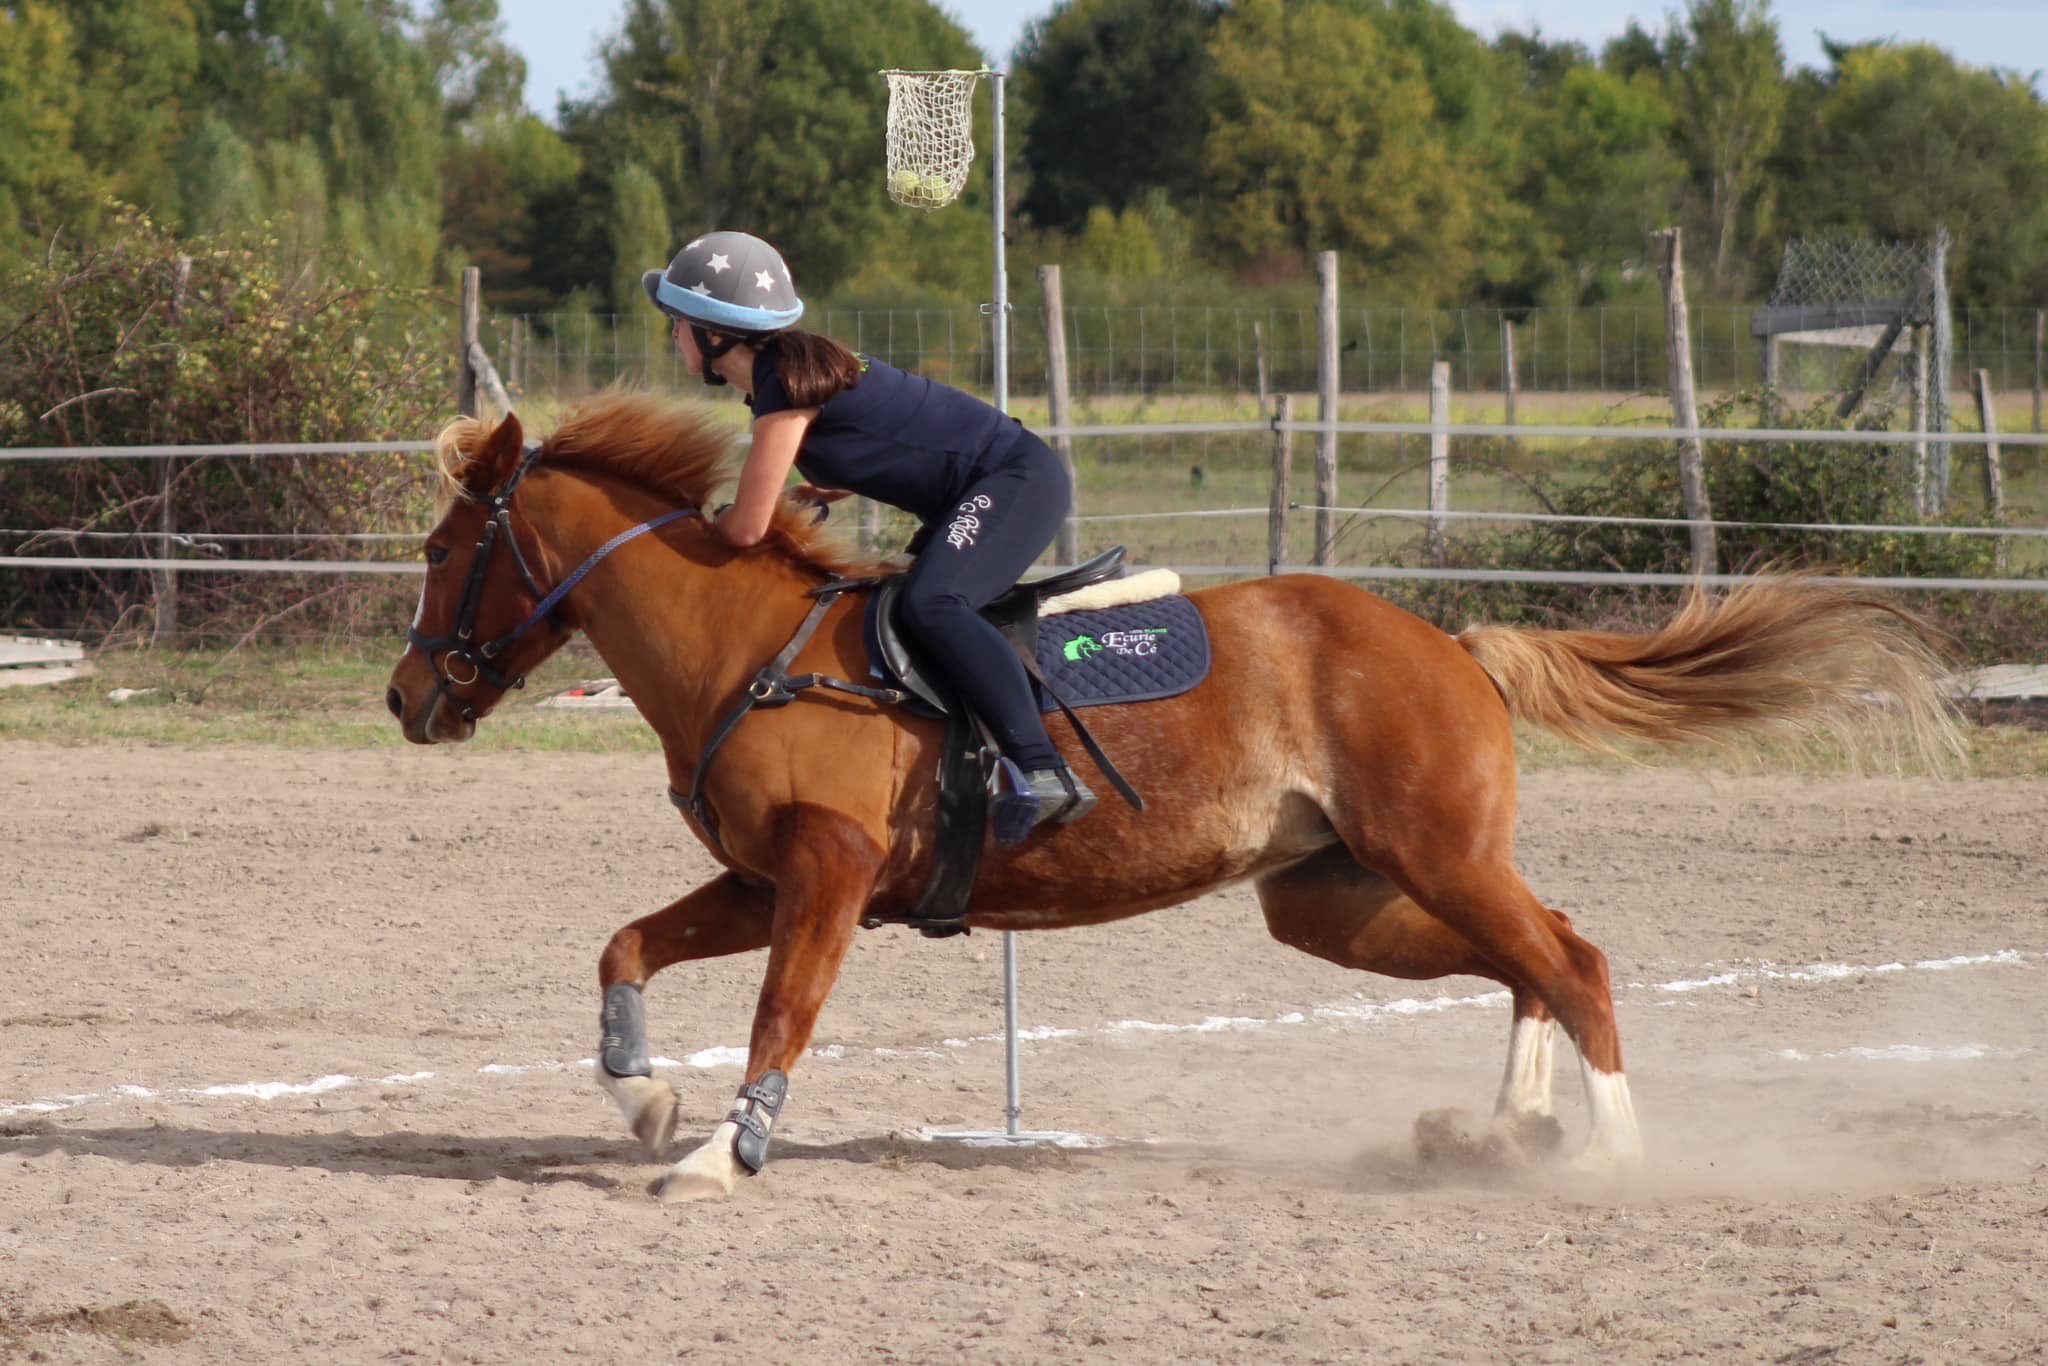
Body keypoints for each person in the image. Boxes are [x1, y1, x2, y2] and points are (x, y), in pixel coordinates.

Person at [642, 230, 1096, 845]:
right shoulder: (786, 374)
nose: (673, 335)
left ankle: (1043, 768)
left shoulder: (784, 385)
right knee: (908, 604)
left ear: (713, 333)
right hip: (987, 485)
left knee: (934, 604)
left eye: (677, 323)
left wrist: (692, 531)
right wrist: (803, 497)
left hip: (1016, 479)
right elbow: (871, 448)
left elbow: (744, 528)